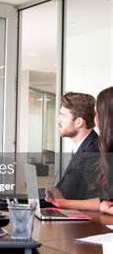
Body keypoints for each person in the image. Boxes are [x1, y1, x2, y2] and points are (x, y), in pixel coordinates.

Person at [48, 87, 113, 215]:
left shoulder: (94, 151)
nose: (96, 120)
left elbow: (69, 193)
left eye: (98, 114)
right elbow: (104, 201)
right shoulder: (96, 147)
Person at [54, 92, 101, 199]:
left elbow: (66, 194)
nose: (58, 120)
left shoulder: (93, 151)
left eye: (63, 115)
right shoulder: (85, 146)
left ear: (79, 122)